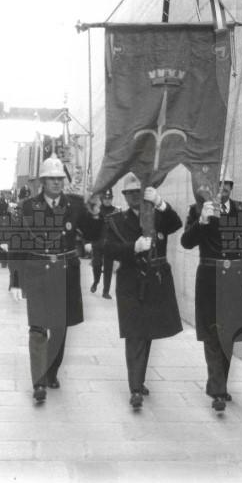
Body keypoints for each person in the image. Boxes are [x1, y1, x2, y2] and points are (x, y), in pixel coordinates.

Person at [7, 156, 103, 403]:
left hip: (65, 273)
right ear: (42, 181)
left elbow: (94, 234)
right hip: (38, 272)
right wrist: (15, 280)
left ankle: (51, 371)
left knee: (59, 328)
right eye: (51, 179)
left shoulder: (75, 205)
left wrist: (95, 214)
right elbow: (17, 245)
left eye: (60, 178)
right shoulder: (28, 207)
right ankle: (39, 382)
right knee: (38, 327)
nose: (57, 183)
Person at [180, 178, 242, 412]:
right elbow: (186, 242)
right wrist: (201, 221)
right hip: (209, 278)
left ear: (232, 187)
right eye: (219, 183)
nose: (223, 188)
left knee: (229, 334)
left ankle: (219, 384)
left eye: (227, 183)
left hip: (236, 278)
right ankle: (218, 390)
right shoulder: (197, 210)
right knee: (212, 334)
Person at [103, 174, 183, 410]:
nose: (133, 197)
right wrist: (133, 248)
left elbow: (176, 224)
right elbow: (109, 249)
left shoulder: (157, 215)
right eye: (129, 193)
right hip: (130, 282)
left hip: (155, 281)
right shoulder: (116, 221)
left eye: (137, 192)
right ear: (125, 196)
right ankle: (135, 388)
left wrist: (160, 202)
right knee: (134, 334)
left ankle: (139, 379)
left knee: (147, 333)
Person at [90, 188, 117, 299]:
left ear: (112, 199)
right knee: (96, 265)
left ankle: (106, 291)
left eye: (109, 198)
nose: (107, 200)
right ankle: (96, 281)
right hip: (97, 243)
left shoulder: (116, 212)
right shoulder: (96, 210)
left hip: (110, 244)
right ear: (102, 199)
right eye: (105, 198)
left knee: (108, 268)